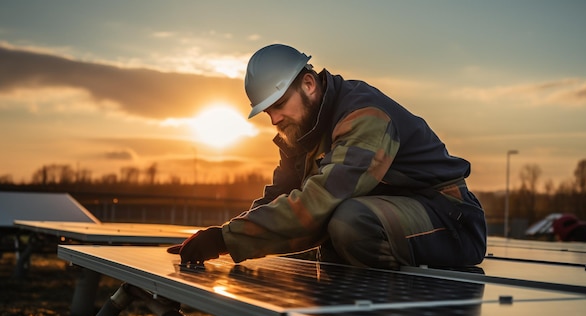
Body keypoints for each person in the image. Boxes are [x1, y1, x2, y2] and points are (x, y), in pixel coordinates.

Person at [168, 44, 487, 270]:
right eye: (268, 112)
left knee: (348, 221)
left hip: (450, 221)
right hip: (389, 217)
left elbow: (318, 204)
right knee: (313, 237)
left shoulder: (364, 117)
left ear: (308, 84)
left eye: (278, 106)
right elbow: (281, 197)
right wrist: (222, 234)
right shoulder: (301, 132)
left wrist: (226, 240)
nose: (275, 119)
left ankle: (395, 311)